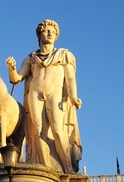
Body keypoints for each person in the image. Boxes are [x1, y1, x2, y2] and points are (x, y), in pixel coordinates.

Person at [6, 19, 82, 173]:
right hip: (35, 93)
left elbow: (70, 79)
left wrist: (73, 97)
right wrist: (11, 68)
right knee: (37, 132)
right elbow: (16, 78)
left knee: (57, 129)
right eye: (46, 31)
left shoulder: (64, 55)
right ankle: (45, 169)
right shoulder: (31, 58)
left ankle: (68, 168)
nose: (49, 33)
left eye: (52, 32)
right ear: (39, 34)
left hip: (55, 93)